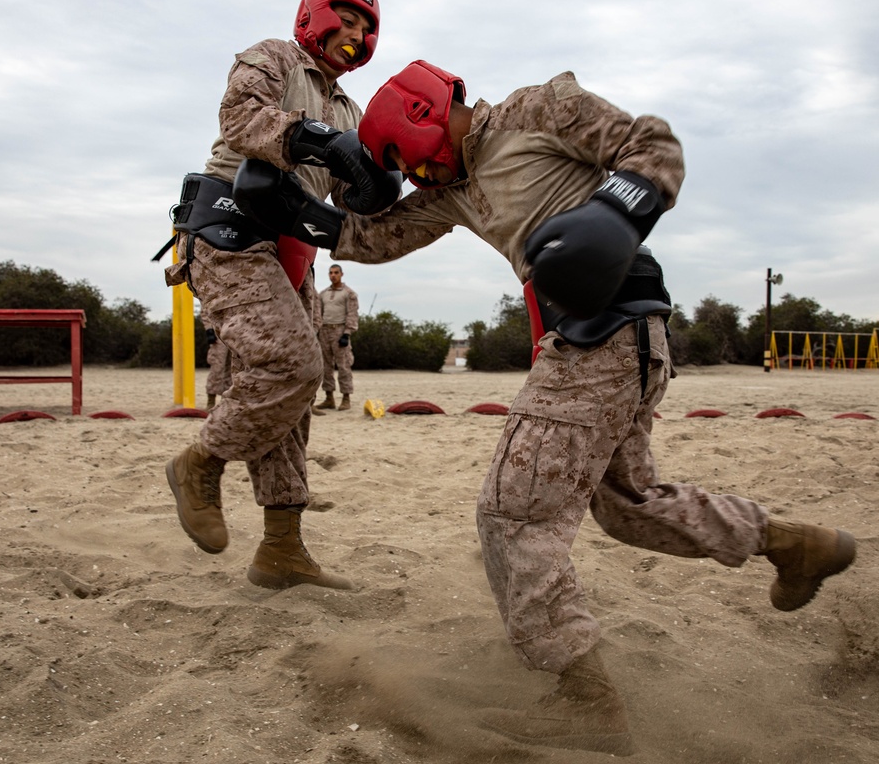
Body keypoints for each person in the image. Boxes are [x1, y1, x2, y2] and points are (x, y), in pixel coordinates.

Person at [232, 60, 857, 754]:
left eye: (407, 166)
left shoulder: (538, 111)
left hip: (601, 336)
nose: (413, 182)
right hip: (629, 341)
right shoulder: (455, 191)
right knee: (629, 500)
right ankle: (794, 544)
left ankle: (586, 699)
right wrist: (293, 212)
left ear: (421, 122)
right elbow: (376, 237)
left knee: (512, 514)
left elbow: (653, 146)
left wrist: (615, 213)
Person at [161, 0, 399, 592]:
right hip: (231, 230)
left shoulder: (351, 111)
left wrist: (395, 178)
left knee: (294, 394)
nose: (356, 35)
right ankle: (199, 462)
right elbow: (242, 120)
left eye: (365, 29)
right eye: (345, 21)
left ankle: (281, 549)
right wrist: (326, 142)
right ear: (314, 17)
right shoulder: (272, 58)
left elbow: (352, 199)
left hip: (294, 248)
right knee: (293, 365)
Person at [314, 264, 359, 411]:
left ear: (341, 274)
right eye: (331, 273)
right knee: (326, 366)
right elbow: (318, 313)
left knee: (343, 365)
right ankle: (329, 398)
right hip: (324, 331)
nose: (333, 275)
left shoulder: (349, 293)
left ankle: (346, 398)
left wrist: (347, 333)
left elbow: (352, 313)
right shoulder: (323, 294)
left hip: (339, 330)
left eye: (336, 273)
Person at [203, 325, 232, 410]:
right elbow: (205, 312)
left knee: (232, 369)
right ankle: (211, 403)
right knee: (217, 367)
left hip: (233, 332)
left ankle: (226, 402)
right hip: (218, 332)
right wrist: (209, 329)